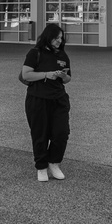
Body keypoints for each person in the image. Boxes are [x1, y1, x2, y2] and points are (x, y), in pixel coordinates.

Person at [20, 21, 72, 182]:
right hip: (38, 100)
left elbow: (68, 78)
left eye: (61, 38)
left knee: (61, 133)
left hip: (58, 99)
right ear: (48, 37)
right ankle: (41, 167)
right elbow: (26, 75)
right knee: (40, 134)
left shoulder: (62, 55)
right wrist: (46, 74)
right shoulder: (35, 53)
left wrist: (63, 76)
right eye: (56, 38)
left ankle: (54, 163)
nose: (59, 41)